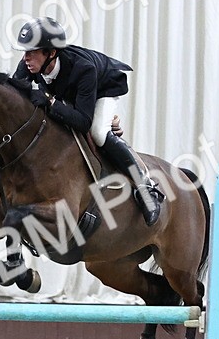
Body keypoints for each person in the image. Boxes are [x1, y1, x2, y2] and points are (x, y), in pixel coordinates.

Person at [11, 17, 164, 225]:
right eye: (24, 52)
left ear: (51, 53)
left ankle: (147, 189)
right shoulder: (28, 65)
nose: (26, 58)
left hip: (102, 88)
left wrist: (50, 102)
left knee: (99, 132)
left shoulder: (83, 68)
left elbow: (83, 121)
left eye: (32, 52)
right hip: (69, 93)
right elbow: (14, 95)